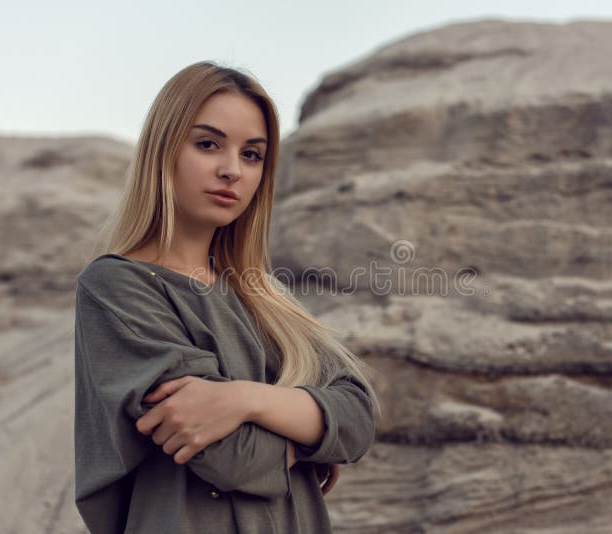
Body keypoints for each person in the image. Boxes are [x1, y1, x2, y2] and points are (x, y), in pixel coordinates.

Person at [73, 61, 382, 534]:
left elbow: (358, 418)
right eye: (208, 144)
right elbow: (231, 458)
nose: (231, 170)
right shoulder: (118, 286)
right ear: (163, 149)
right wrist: (314, 436)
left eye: (252, 155)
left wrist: (245, 400)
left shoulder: (263, 296)